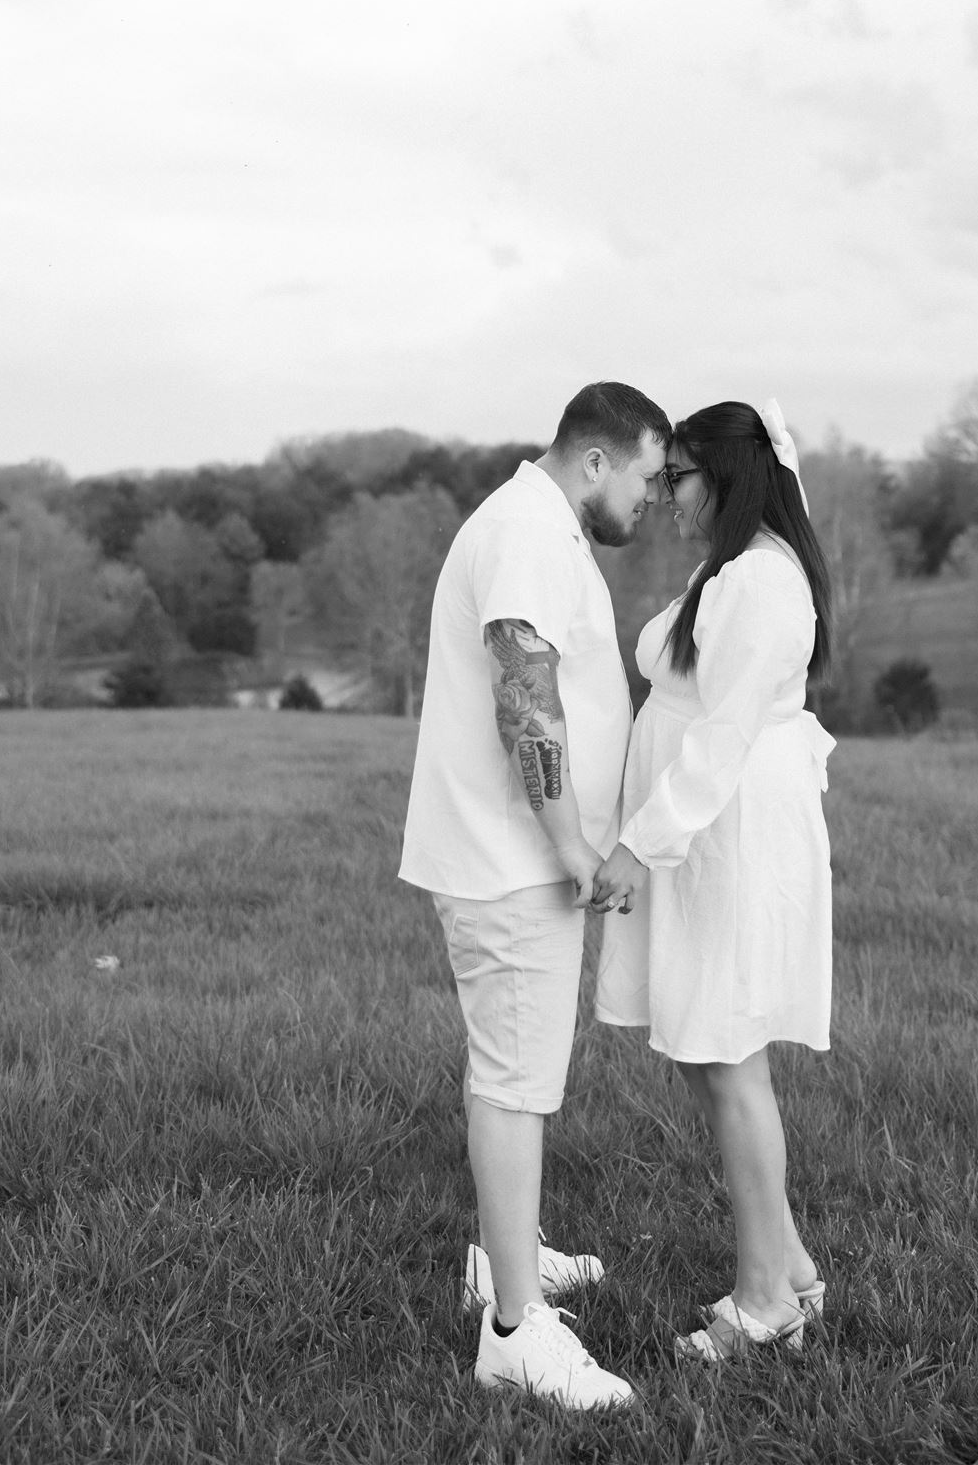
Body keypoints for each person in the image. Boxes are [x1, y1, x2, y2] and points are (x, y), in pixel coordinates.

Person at [398, 381, 669, 1408]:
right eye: (646, 475)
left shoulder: (542, 527)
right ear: (595, 459)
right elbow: (527, 688)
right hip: (513, 860)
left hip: (515, 856)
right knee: (516, 1083)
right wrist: (569, 842)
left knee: (516, 1069)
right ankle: (513, 1328)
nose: (649, 499)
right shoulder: (524, 528)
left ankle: (503, 1253)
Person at [591, 398, 835, 1361]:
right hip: (705, 835)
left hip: (725, 834)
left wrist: (637, 845)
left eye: (679, 476)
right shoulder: (729, 573)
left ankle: (764, 1299)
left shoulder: (764, 585)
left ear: (726, 480)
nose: (664, 493)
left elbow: (720, 742)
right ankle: (794, 1270)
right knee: (704, 1049)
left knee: (729, 1057)